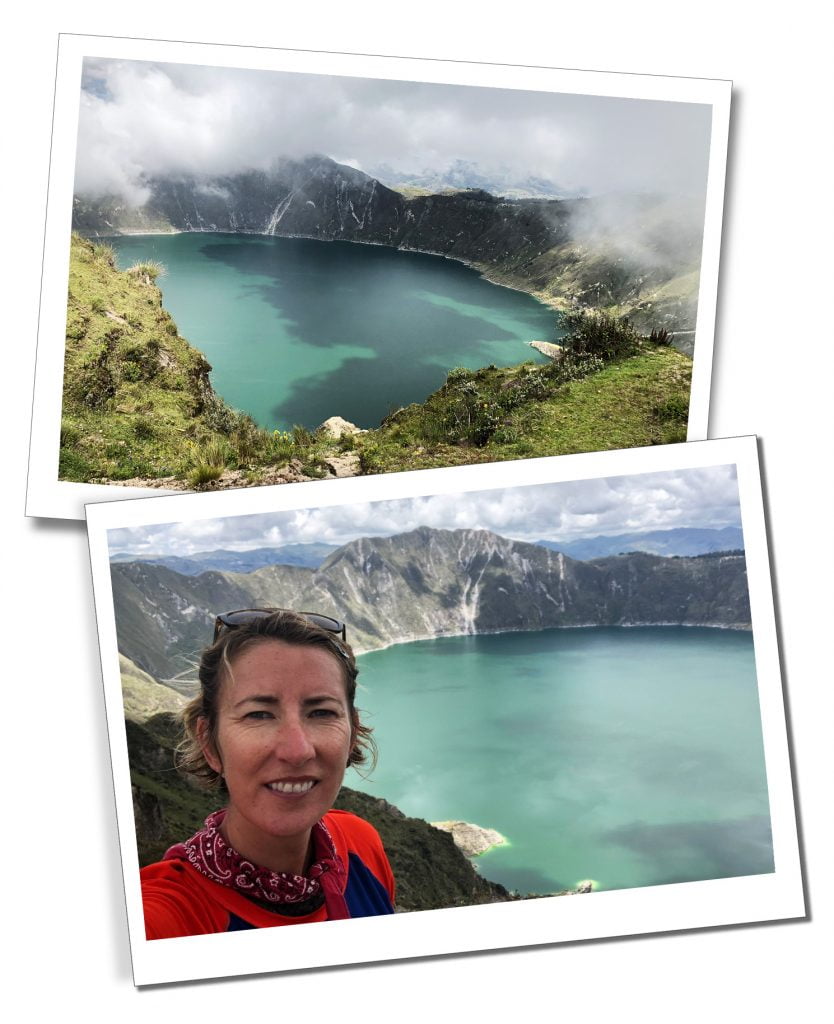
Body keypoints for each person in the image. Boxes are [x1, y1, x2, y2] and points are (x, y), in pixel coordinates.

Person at [140, 608, 395, 939]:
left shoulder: (361, 843)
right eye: (259, 714)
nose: (297, 750)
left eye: (321, 712)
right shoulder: (167, 916)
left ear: (352, 733)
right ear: (209, 742)